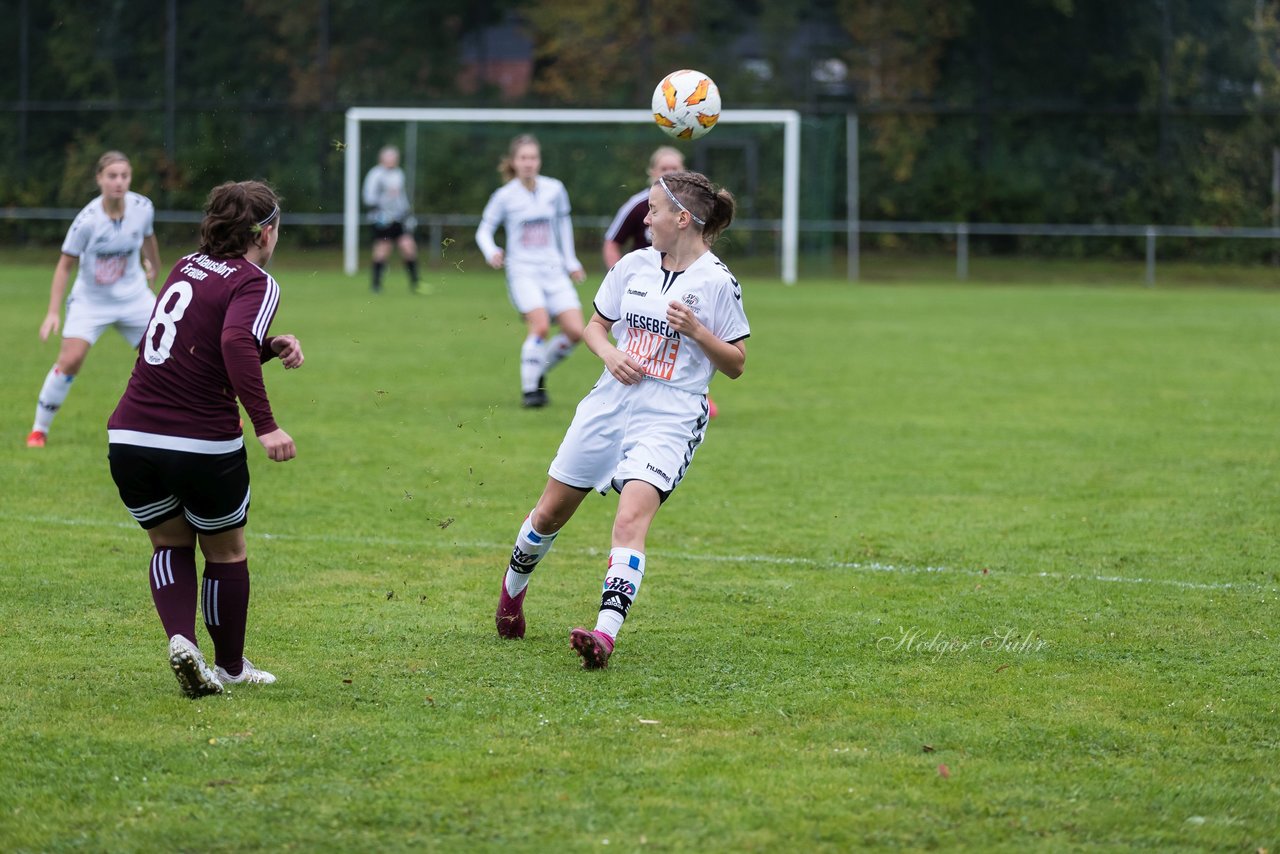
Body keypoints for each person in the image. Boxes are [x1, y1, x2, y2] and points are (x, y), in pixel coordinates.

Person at [494, 170, 749, 670]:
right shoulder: (633, 266)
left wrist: (698, 332)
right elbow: (594, 327)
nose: (645, 217)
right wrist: (610, 355)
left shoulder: (718, 282)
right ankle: (511, 596)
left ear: (682, 218)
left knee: (630, 519)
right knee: (549, 514)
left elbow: (736, 364)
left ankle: (603, 635)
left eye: (653, 210)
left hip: (671, 413)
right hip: (610, 402)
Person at [106, 180, 304, 698]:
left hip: (130, 436)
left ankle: (181, 641)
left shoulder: (184, 265)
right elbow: (233, 339)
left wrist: (267, 346)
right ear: (264, 232)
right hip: (200, 444)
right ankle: (231, 667)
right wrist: (266, 425)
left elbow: (195, 344)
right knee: (226, 551)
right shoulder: (255, 280)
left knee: (169, 541)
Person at [27, 151, 161, 448]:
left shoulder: (143, 208)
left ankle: (207, 415)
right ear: (99, 178)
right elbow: (64, 266)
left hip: (134, 297)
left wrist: (154, 265)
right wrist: (52, 312)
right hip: (91, 301)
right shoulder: (86, 221)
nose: (119, 182)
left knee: (168, 354)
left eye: (124, 176)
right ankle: (39, 429)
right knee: (71, 359)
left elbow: (149, 239)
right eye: (112, 176)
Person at [602, 145, 719, 418]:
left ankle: (693, 391)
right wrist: (616, 276)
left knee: (683, 337)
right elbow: (612, 242)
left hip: (681, 283)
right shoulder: (638, 206)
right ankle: (634, 390)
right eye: (664, 169)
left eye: (675, 168)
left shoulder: (691, 212)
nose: (670, 173)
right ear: (653, 173)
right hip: (643, 288)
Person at [476, 134, 586, 407]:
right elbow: (484, 231)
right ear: (514, 162)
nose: (528, 163)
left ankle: (535, 371)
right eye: (523, 158)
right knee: (540, 326)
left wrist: (570, 261)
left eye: (533, 158)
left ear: (539, 161)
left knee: (576, 332)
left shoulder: (554, 189)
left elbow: (563, 226)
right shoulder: (504, 196)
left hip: (553, 270)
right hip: (523, 271)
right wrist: (492, 251)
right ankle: (531, 393)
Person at [362, 145, 421, 293]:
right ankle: (376, 285)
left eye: (394, 157)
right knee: (383, 250)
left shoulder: (399, 173)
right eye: (390, 157)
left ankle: (416, 284)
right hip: (381, 219)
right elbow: (368, 197)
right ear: (382, 159)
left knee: (408, 247)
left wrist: (407, 213)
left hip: (398, 218)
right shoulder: (375, 174)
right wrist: (379, 212)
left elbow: (401, 197)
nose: (393, 160)